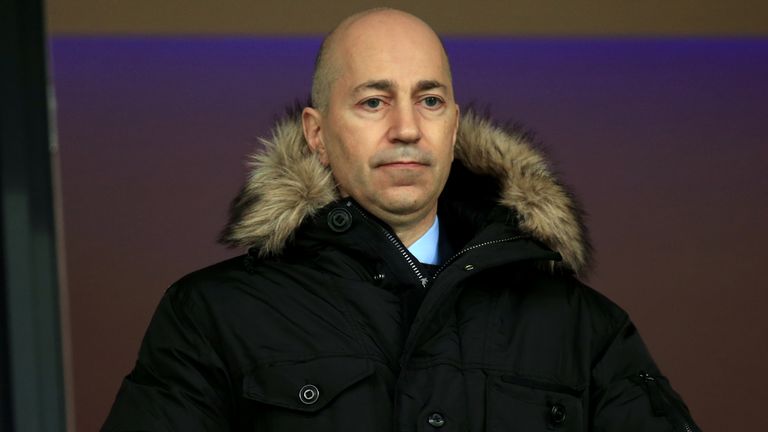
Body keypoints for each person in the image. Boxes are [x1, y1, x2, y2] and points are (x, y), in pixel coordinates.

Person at [102, 8, 700, 432]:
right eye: (373, 101)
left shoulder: (579, 327)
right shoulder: (212, 317)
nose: (408, 128)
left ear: (455, 124)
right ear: (317, 133)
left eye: (430, 100)